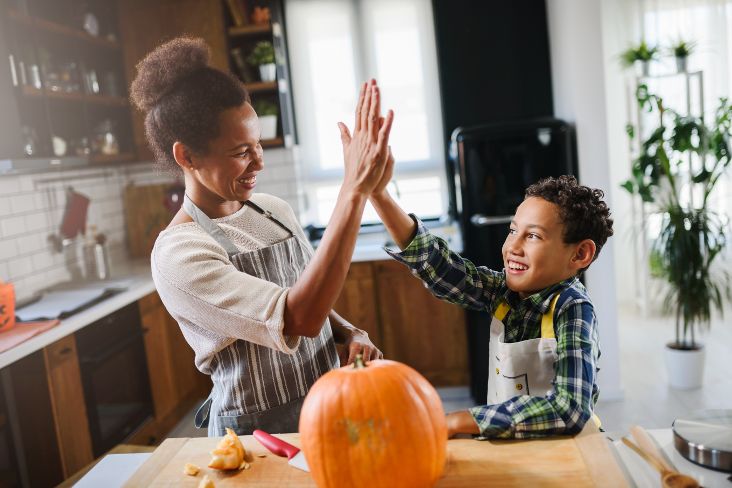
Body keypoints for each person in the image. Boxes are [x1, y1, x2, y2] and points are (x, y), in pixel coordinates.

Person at [129, 37, 394, 436]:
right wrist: (354, 191)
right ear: (187, 157)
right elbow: (298, 317)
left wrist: (350, 332)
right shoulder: (180, 253)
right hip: (256, 431)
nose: (258, 163)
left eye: (258, 145)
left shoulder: (274, 211)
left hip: (327, 404)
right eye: (240, 152)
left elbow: (305, 294)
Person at [370, 173, 613, 438]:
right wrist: (378, 194)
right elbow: (438, 265)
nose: (513, 247)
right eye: (512, 231)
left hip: (571, 453)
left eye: (533, 236)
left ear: (580, 254)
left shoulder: (572, 308)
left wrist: (459, 420)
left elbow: (570, 410)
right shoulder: (503, 292)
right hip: (520, 449)